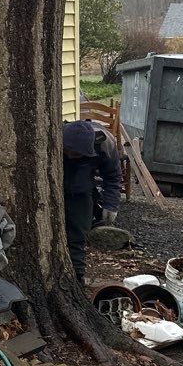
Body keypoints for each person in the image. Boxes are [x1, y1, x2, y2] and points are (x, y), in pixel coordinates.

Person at [62, 119, 122, 282]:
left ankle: (77, 277)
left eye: (77, 154)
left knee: (77, 233)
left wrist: (110, 205)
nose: (72, 156)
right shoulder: (57, 136)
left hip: (82, 188)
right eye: (69, 152)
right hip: (58, 181)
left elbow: (112, 176)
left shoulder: (105, 145)